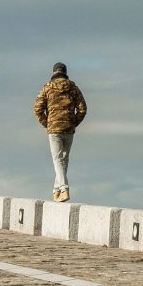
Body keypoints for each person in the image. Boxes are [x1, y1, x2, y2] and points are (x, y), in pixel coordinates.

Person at [33, 62, 87, 202]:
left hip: (54, 128)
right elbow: (82, 108)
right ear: (65, 72)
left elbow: (37, 109)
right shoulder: (73, 88)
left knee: (58, 159)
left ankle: (64, 188)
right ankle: (56, 190)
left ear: (53, 73)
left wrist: (47, 123)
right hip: (69, 128)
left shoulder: (47, 87)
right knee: (64, 160)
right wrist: (73, 122)